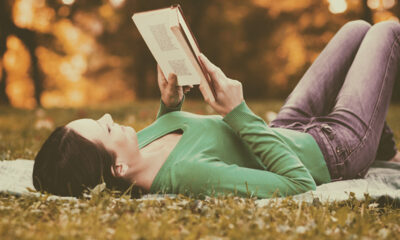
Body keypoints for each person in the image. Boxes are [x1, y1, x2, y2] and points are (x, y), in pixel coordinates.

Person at [33, 20, 400, 198]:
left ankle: (385, 149)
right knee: (385, 32)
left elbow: (182, 138)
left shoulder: (137, 147)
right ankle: (370, 144)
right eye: (106, 129)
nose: (109, 118)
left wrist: (171, 103)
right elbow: (299, 184)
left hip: (287, 128)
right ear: (118, 168)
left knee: (356, 28)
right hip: (334, 150)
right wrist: (236, 111)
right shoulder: (190, 176)